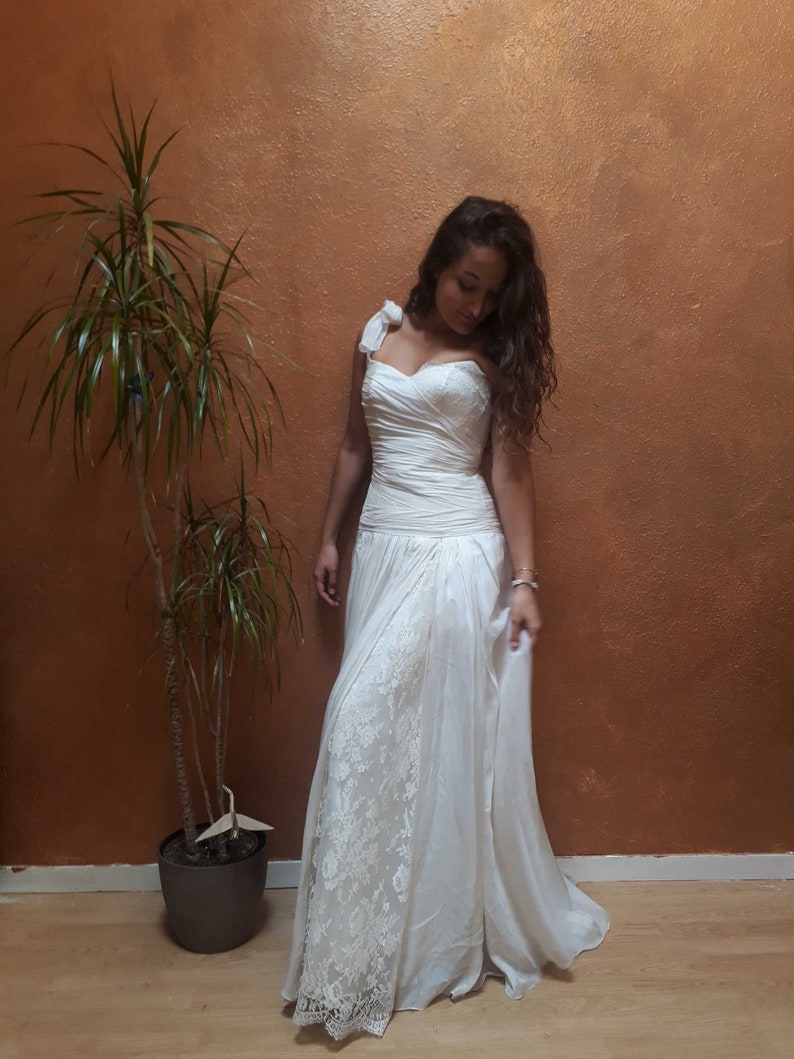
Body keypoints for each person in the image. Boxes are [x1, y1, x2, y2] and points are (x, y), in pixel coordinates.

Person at [281, 196, 609, 1040]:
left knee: (378, 726)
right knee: (395, 741)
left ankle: (422, 944)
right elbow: (355, 444)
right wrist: (328, 537)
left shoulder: (491, 359)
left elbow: (510, 475)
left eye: (493, 293)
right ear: (437, 265)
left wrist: (525, 579)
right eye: (468, 283)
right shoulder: (376, 334)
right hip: (383, 551)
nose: (477, 305)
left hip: (459, 557)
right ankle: (364, 946)